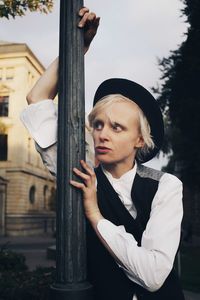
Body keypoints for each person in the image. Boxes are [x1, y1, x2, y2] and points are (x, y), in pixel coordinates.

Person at [20, 7, 185, 300]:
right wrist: (78, 49)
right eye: (97, 124)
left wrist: (94, 213)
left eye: (117, 127)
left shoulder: (166, 186)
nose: (102, 134)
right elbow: (37, 99)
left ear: (139, 140)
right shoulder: (81, 172)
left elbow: (153, 275)